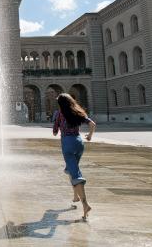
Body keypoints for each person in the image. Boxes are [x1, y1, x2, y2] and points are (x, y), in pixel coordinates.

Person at [52, 93, 96, 221]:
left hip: (68, 145)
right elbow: (92, 124)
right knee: (71, 169)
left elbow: (55, 132)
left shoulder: (59, 114)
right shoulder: (78, 112)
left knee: (76, 175)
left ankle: (85, 205)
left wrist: (57, 127)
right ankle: (75, 197)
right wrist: (90, 136)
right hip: (79, 143)